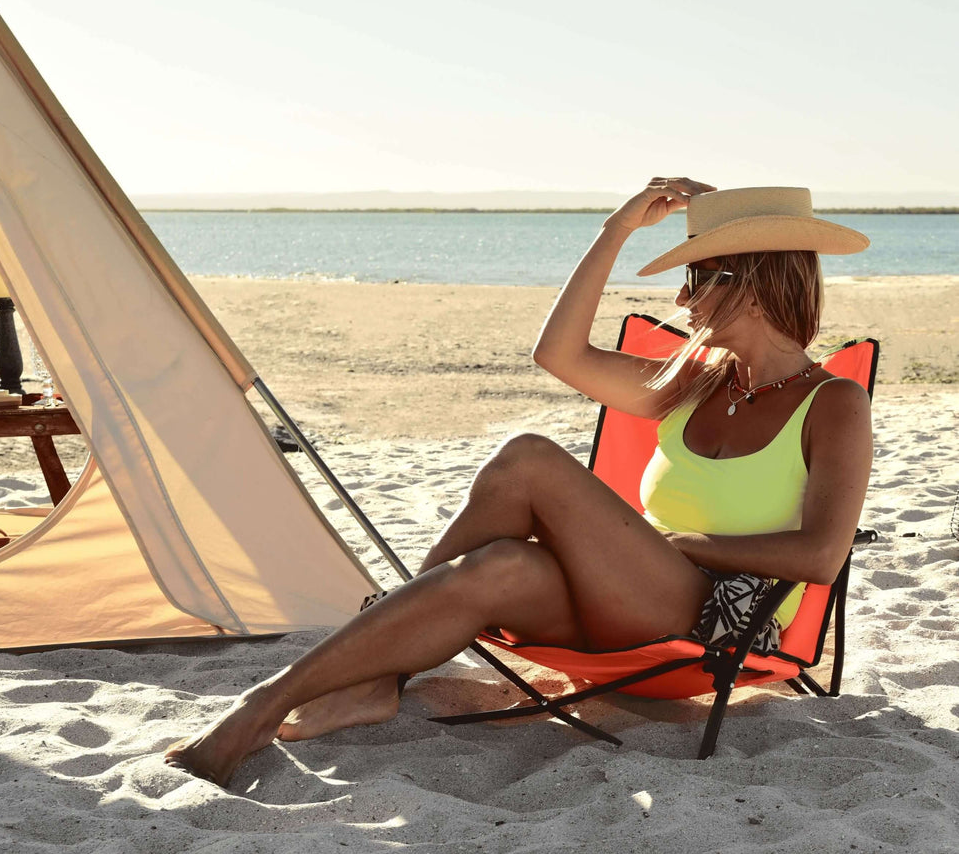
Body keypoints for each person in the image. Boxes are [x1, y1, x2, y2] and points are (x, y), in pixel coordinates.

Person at [166, 179, 874, 787]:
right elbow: (555, 352)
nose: (682, 299)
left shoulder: (833, 403)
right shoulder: (693, 382)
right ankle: (359, 681)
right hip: (630, 601)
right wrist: (616, 228)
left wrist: (682, 544)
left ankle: (279, 700)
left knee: (531, 458)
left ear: (747, 285)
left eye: (696, 278)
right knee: (499, 563)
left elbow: (819, 557)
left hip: (719, 622)